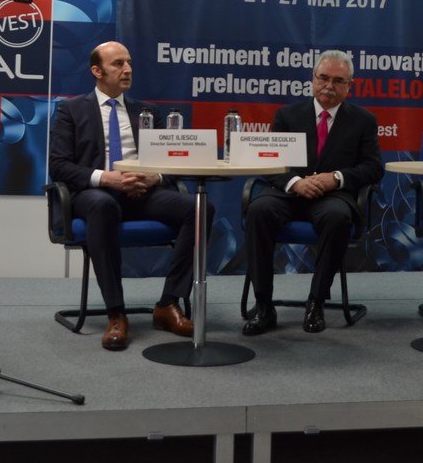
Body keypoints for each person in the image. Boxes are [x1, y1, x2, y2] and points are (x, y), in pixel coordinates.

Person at [48, 41, 211, 351]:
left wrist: (154, 177)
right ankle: (116, 313)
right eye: (118, 64)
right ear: (96, 71)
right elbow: (58, 165)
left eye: (129, 63)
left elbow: (170, 163)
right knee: (103, 205)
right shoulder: (71, 110)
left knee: (201, 208)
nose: (127, 69)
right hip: (96, 194)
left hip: (142, 193)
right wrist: (106, 177)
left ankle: (168, 302)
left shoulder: (147, 112)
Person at [242, 50, 384, 335]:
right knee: (257, 210)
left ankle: (316, 302)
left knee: (338, 218)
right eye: (323, 78)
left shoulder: (363, 120)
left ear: (350, 85)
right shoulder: (287, 115)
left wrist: (336, 178)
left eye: (338, 81)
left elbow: (373, 168)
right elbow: (271, 163)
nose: (329, 86)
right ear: (312, 79)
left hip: (332, 196)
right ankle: (264, 305)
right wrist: (295, 182)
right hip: (288, 194)